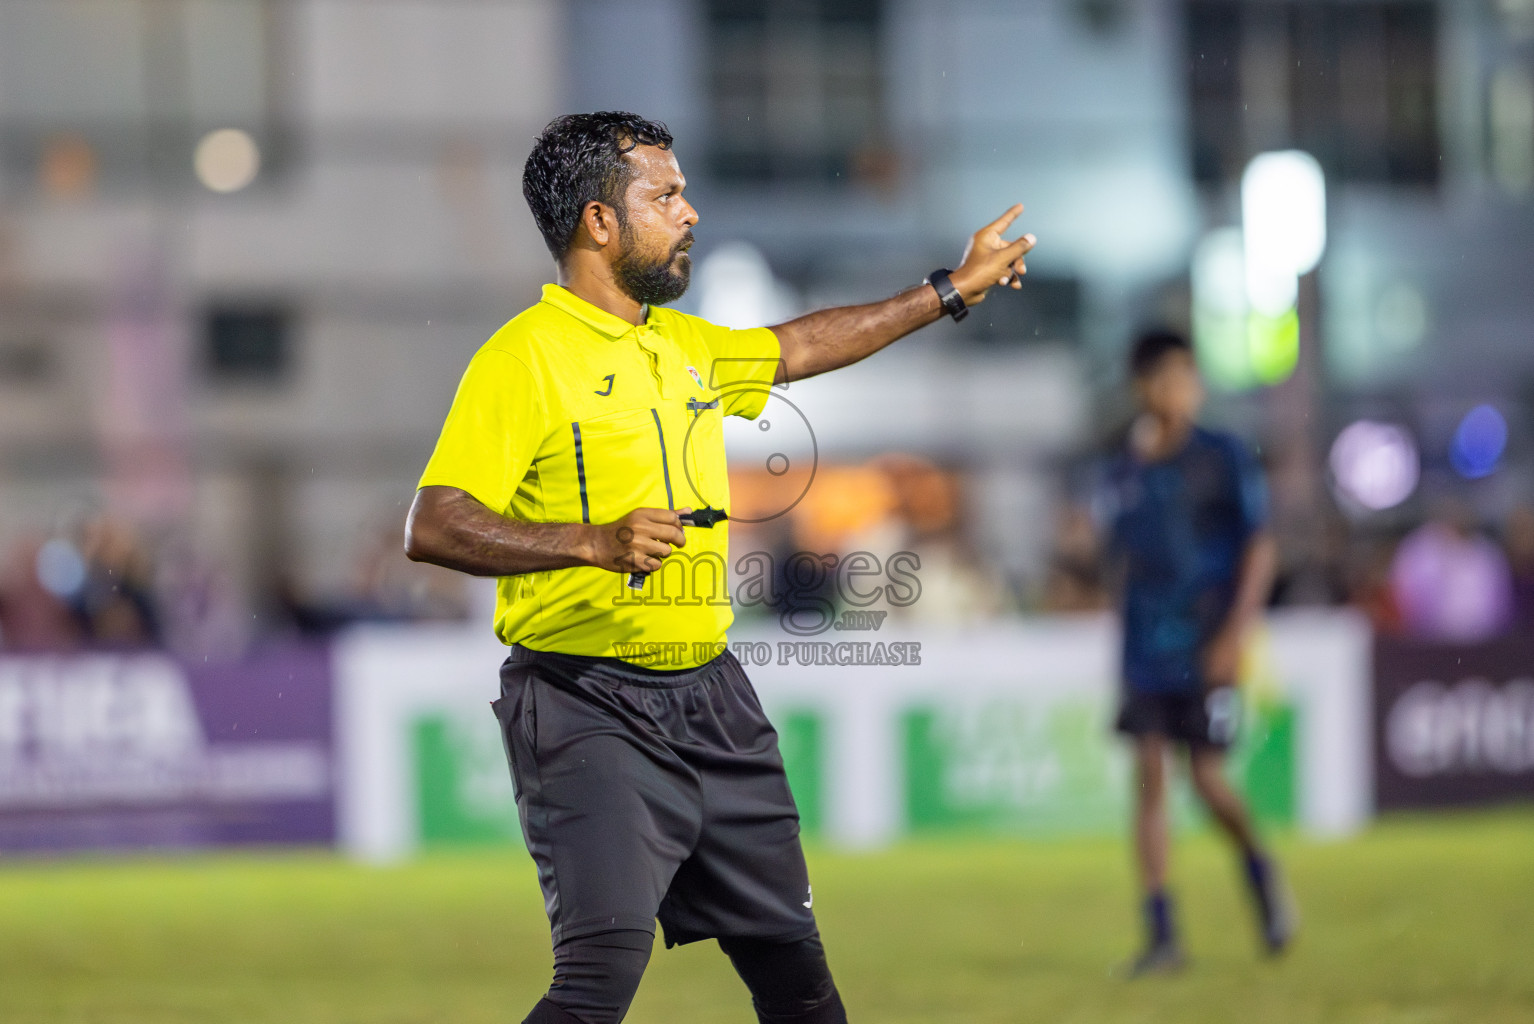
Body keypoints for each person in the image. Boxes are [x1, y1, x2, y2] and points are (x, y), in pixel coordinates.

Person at [403, 112, 1034, 1024]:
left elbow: (807, 344)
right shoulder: (522, 359)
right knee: (595, 988)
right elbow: (434, 522)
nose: (690, 212)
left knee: (800, 986)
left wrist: (949, 290)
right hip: (587, 705)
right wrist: (592, 540)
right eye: (666, 195)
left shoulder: (684, 346)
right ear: (599, 223)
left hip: (713, 700)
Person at [1102, 330, 1291, 976]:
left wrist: (1237, 635)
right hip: (1143, 652)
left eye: (1190, 378)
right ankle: (1161, 934)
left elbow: (1260, 547)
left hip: (1206, 645)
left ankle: (1260, 871)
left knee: (1208, 781)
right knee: (1149, 778)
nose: (1186, 391)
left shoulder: (1223, 455)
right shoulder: (1123, 467)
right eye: (1173, 379)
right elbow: (1120, 559)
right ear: (1145, 389)